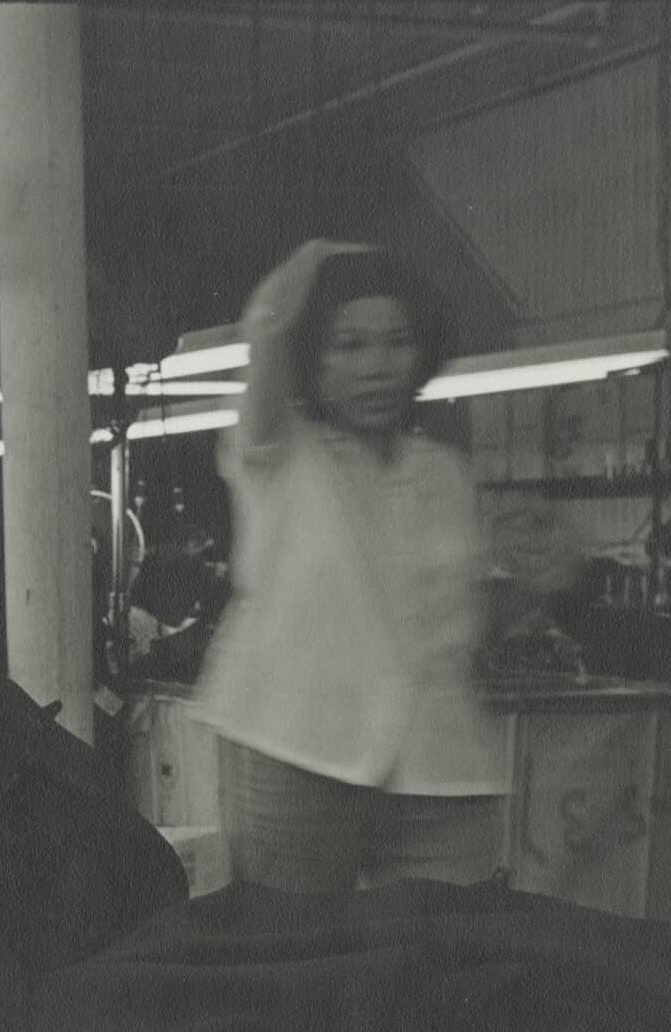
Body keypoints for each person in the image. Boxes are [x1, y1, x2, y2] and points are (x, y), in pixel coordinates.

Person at [191, 240, 505, 894]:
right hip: (298, 742)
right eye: (348, 345)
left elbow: (461, 625)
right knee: (299, 960)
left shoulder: (444, 474)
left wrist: (544, 579)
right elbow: (269, 331)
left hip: (437, 761)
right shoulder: (278, 454)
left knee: (444, 960)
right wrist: (311, 265)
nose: (377, 367)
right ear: (313, 357)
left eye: (396, 342)